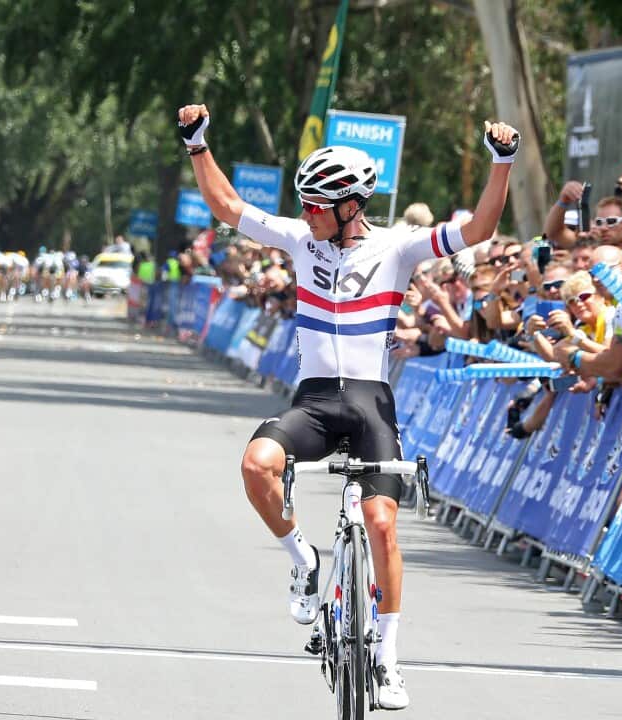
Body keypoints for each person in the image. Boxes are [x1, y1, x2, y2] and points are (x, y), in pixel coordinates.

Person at [178, 102, 518, 709]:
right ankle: (305, 560)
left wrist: (502, 163)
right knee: (256, 465)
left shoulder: (399, 248)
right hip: (313, 401)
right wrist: (198, 144)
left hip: (369, 403)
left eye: (317, 206)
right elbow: (229, 209)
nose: (306, 215)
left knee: (383, 525)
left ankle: (386, 656)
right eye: (303, 203)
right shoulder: (298, 241)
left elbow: (480, 230)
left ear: (351, 207)